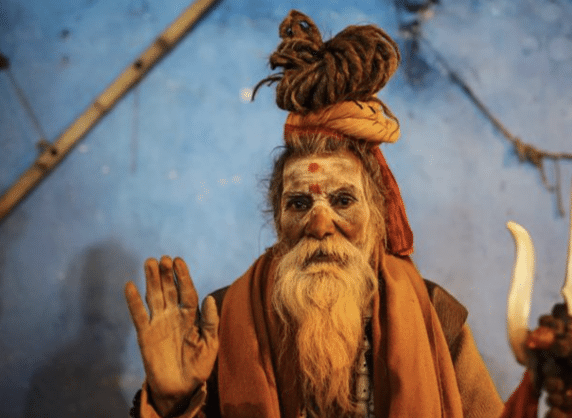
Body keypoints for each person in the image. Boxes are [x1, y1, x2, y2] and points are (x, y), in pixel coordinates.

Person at [125, 10, 523, 418]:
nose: (320, 225)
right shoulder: (221, 321)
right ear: (278, 220)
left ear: (378, 214)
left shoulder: (435, 314)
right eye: (299, 204)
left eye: (344, 201)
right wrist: (170, 402)